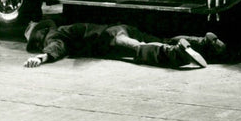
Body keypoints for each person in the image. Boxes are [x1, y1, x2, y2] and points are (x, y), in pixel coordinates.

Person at [23, 20, 227, 69]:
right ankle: (204, 43)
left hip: (110, 38)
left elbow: (57, 46)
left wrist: (42, 57)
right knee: (155, 39)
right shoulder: (65, 27)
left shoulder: (53, 34)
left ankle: (176, 54)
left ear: (38, 38)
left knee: (139, 49)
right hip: (120, 28)